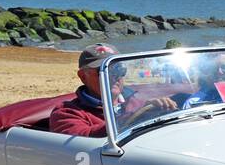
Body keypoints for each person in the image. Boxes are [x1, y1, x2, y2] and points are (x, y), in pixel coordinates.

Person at [49, 43, 177, 137]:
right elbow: (82, 140)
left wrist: (165, 110)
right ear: (83, 76)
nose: (114, 76)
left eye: (118, 69)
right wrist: (130, 119)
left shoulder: (139, 99)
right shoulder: (67, 112)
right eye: (103, 71)